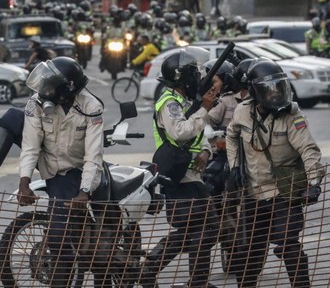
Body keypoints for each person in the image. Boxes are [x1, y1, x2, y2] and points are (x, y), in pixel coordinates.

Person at [226, 58, 325, 288]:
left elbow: (308, 150)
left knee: (289, 246)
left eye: (278, 88)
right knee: (246, 252)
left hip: (284, 193)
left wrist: (314, 182)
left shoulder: (293, 114)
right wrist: (234, 166)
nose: (274, 95)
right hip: (252, 194)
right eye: (268, 90)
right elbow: (231, 136)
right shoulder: (242, 111)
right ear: (254, 92)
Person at [17, 57, 104, 287]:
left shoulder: (91, 106)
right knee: (58, 238)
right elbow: (30, 145)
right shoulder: (36, 103)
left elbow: (93, 156)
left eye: (51, 85)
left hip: (77, 171)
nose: (45, 90)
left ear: (68, 89)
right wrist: (24, 182)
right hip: (51, 169)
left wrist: (84, 191)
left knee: (60, 237)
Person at [139, 48, 221, 288]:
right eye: (194, 74)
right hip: (179, 175)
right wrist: (205, 108)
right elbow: (181, 132)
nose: (198, 78)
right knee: (205, 227)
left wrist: (206, 151)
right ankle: (193, 281)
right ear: (184, 79)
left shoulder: (185, 101)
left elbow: (198, 135)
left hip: (192, 172)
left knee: (195, 231)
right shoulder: (169, 103)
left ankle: (188, 279)